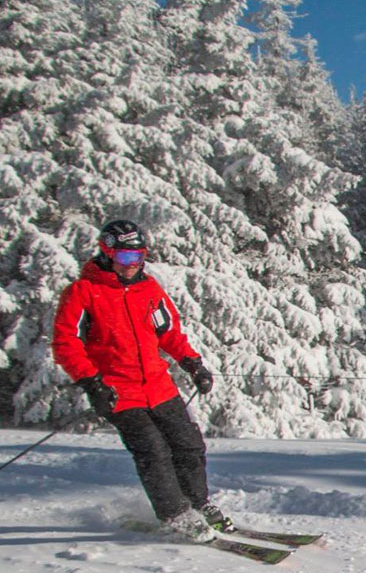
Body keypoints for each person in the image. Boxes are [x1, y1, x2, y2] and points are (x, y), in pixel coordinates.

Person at [51, 219, 231, 542]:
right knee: (153, 451)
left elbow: (169, 333)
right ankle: (176, 516)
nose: (132, 265)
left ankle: (198, 504)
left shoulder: (149, 290)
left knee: (188, 444)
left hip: (159, 386)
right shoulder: (83, 293)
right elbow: (66, 343)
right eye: (124, 258)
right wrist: (92, 383)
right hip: (118, 392)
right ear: (107, 254)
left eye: (139, 257)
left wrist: (193, 364)